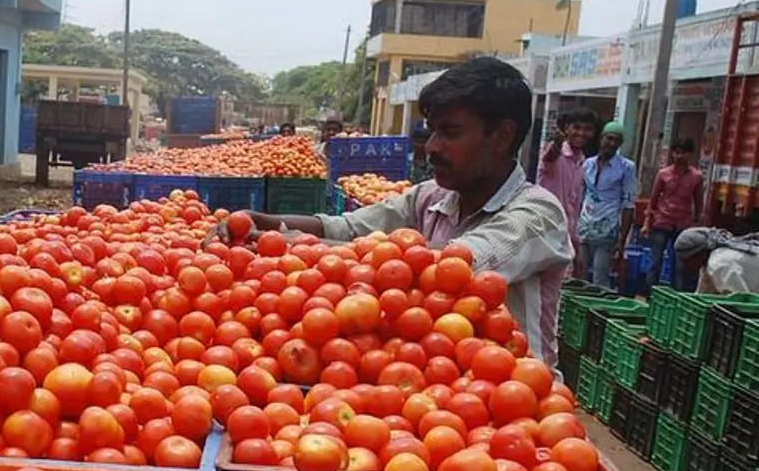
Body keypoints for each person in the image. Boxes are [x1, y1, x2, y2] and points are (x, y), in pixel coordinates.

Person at [214, 57, 573, 367]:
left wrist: (291, 244)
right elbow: (348, 228)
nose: (431, 147)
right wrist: (265, 221)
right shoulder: (431, 197)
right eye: (432, 132)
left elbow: (450, 268)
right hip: (437, 382)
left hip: (516, 398)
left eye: (450, 133)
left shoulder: (537, 213)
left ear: (501, 136)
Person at [577, 122, 637, 289]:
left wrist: (622, 241)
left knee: (600, 278)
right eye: (609, 138)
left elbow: (628, 204)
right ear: (601, 138)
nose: (611, 143)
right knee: (578, 275)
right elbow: (579, 196)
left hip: (607, 231)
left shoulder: (626, 167)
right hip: (584, 227)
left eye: (616, 140)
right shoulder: (587, 164)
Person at [538, 108, 597, 276]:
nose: (581, 133)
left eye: (587, 129)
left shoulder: (582, 161)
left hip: (564, 235)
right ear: (566, 129)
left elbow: (574, 205)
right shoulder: (557, 154)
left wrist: (576, 245)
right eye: (576, 127)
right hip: (545, 231)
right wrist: (556, 144)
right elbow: (549, 157)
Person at [641, 138, 704, 293]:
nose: (679, 156)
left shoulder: (696, 176)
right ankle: (650, 295)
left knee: (680, 265)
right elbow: (653, 200)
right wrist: (647, 222)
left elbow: (698, 202)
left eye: (683, 153)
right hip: (662, 222)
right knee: (655, 262)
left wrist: (697, 224)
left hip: (683, 224)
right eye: (676, 152)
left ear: (689, 154)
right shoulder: (663, 174)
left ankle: (677, 296)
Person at [674, 227, 759, 294]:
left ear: (699, 254)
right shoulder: (706, 266)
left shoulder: (718, 263)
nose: (684, 266)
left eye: (686, 261)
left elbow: (738, 300)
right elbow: (703, 294)